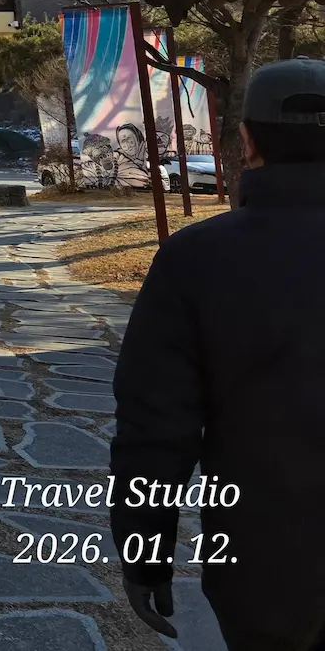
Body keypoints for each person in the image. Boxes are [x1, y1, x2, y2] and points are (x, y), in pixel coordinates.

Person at [112, 59, 325, 649]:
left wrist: (145, 554)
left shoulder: (197, 258)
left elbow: (156, 427)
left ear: (248, 140)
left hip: (264, 556)